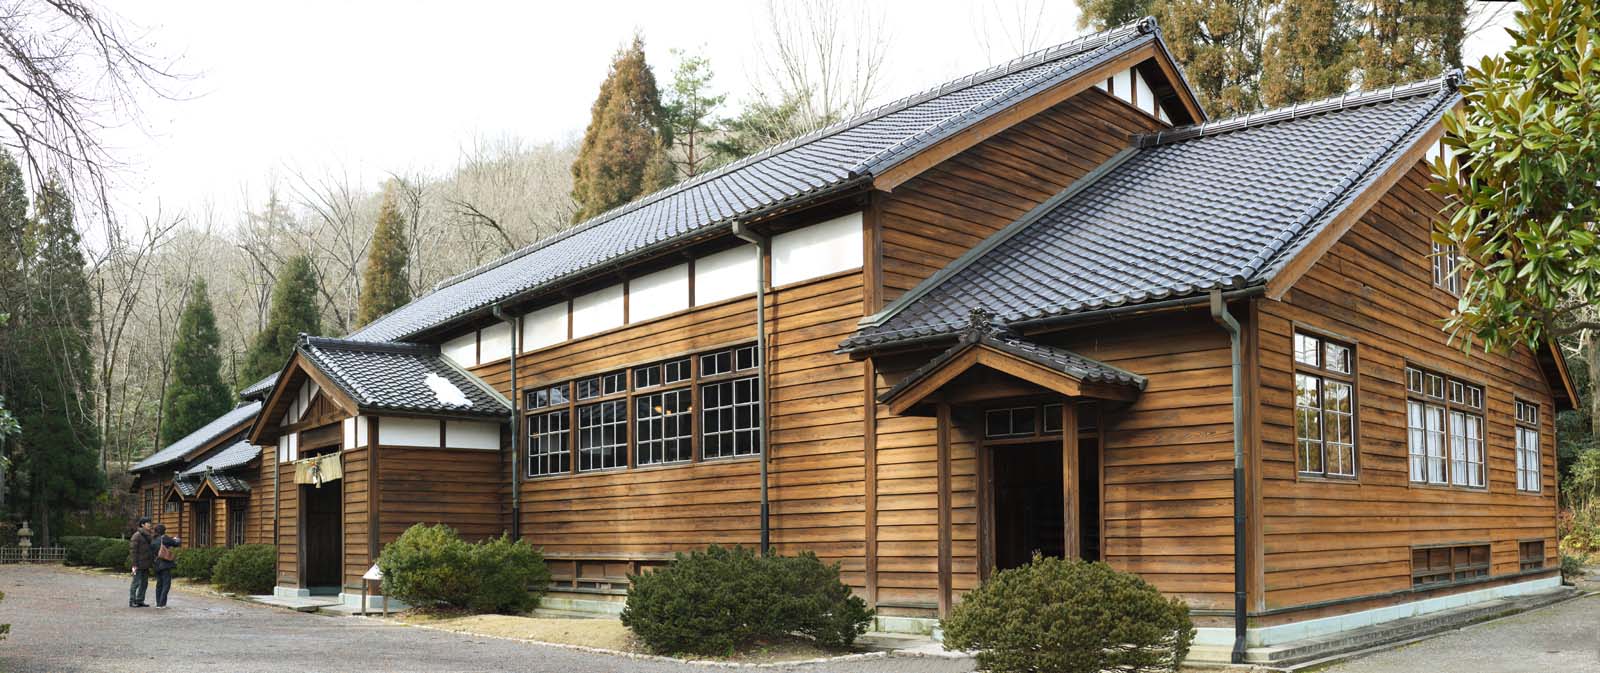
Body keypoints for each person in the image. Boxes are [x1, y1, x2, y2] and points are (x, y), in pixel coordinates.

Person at [128, 517, 155, 608]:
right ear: (142, 524)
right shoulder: (137, 535)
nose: (150, 524)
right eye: (148, 523)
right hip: (138, 564)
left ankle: (140, 600)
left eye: (150, 523)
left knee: (144, 583)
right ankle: (132, 600)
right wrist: (134, 564)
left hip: (146, 564)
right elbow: (133, 551)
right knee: (136, 583)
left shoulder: (149, 535)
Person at [152, 524, 180, 609]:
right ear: (164, 531)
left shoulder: (153, 539)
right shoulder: (164, 538)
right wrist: (177, 539)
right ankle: (162, 603)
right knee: (166, 584)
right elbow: (176, 543)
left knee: (159, 584)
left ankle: (158, 603)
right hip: (164, 564)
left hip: (156, 563)